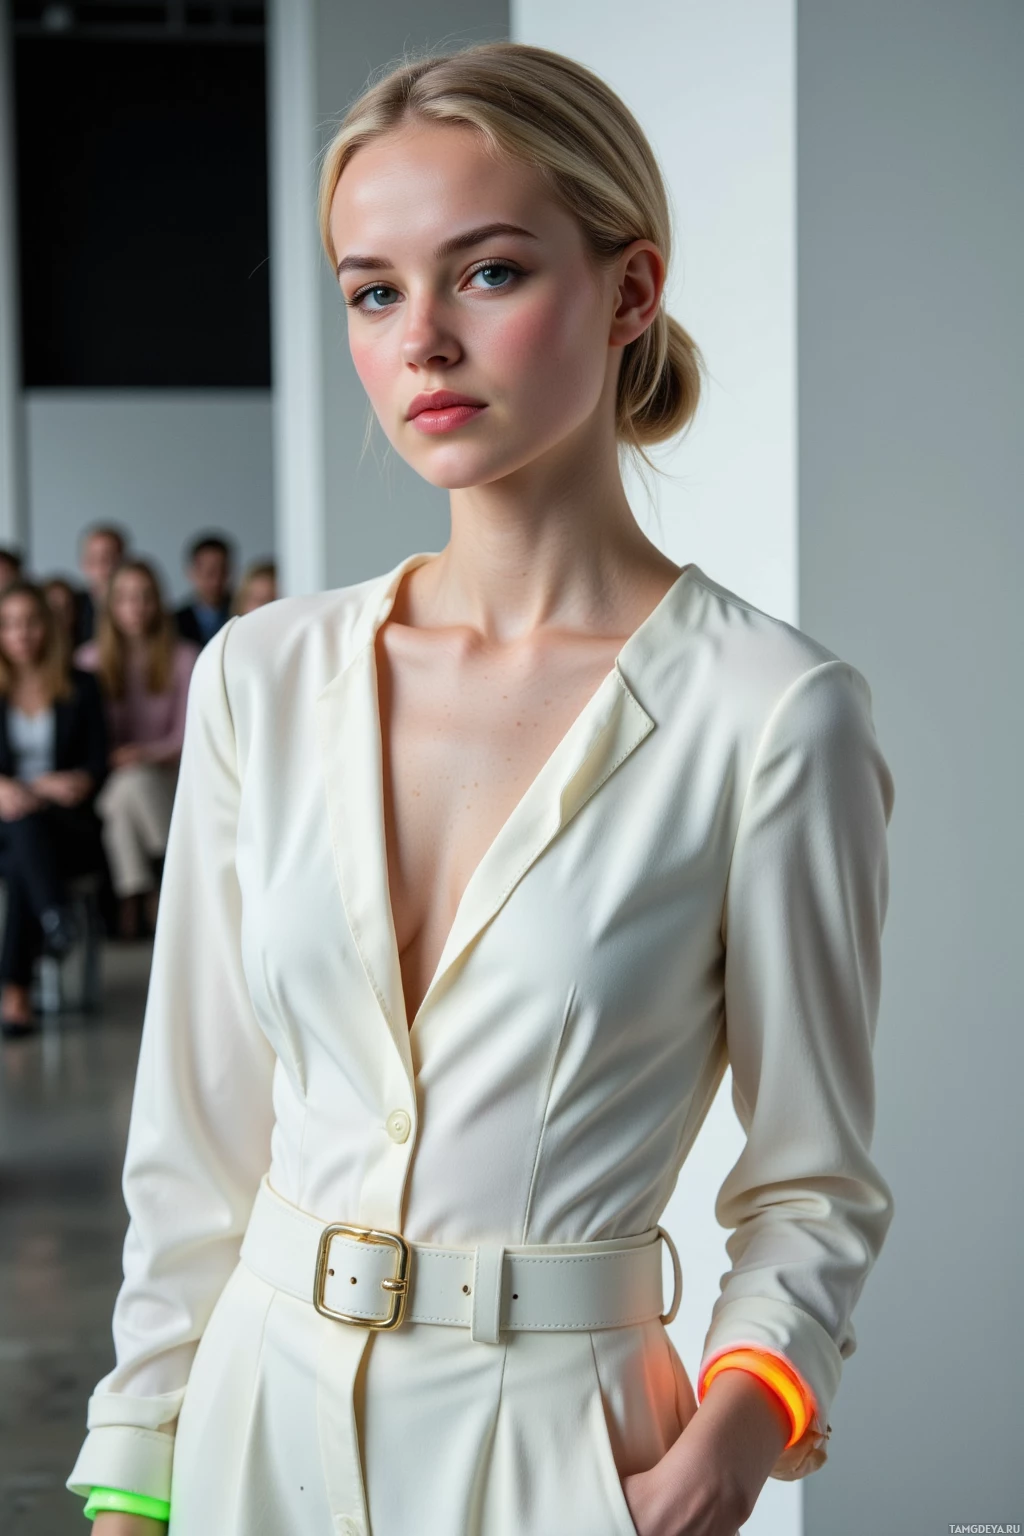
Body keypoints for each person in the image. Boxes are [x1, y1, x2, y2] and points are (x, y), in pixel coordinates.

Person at [69, 41, 896, 1536]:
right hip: (257, 1422)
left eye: (490, 273)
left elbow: (813, 1185)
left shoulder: (771, 714)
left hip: (564, 1452)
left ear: (631, 291)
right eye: (374, 290)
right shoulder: (261, 674)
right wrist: (134, 1465)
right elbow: (194, 1132)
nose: (422, 341)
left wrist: (730, 1442)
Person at [0, 581, 108, 1039]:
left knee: (28, 843)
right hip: (6, 822)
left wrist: (39, 788)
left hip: (67, 825)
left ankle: (16, 994)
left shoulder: (82, 685)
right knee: (25, 834)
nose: (21, 634)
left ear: (47, 626)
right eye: (9, 625)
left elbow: (98, 764)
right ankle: (53, 917)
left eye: (30, 622)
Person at [74, 560, 199, 942]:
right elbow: (81, 738)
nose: (136, 607)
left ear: (158, 603)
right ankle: (167, 880)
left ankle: (133, 896)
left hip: (170, 772)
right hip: (109, 774)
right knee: (125, 788)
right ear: (111, 605)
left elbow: (188, 734)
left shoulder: (184, 657)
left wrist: (144, 755)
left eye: (145, 598)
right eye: (126, 598)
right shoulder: (88, 661)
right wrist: (114, 758)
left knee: (128, 791)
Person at [173, 533, 234, 648]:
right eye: (209, 573)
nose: (216, 580)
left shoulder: (241, 613)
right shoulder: (174, 623)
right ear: (191, 573)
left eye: (222, 571)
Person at [74, 524, 130, 647]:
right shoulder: (72, 607)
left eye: (109, 557)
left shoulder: (141, 605)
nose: (101, 565)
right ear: (84, 563)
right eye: (94, 558)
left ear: (125, 561)